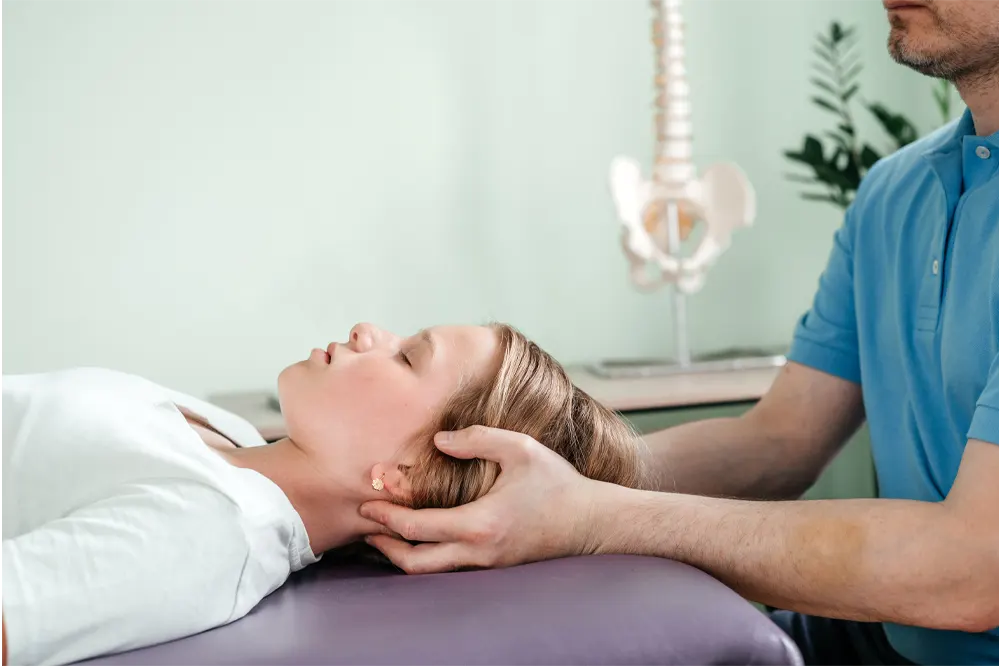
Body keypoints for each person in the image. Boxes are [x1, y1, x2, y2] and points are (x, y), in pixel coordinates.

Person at [358, 3, 1000, 665]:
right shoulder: (893, 193)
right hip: (889, 640)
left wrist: (588, 518)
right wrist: (511, 473)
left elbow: (972, 570)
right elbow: (779, 442)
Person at [0, 322, 648, 666]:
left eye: (406, 358)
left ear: (407, 476)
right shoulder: (233, 436)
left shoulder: (207, 528)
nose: (370, 331)